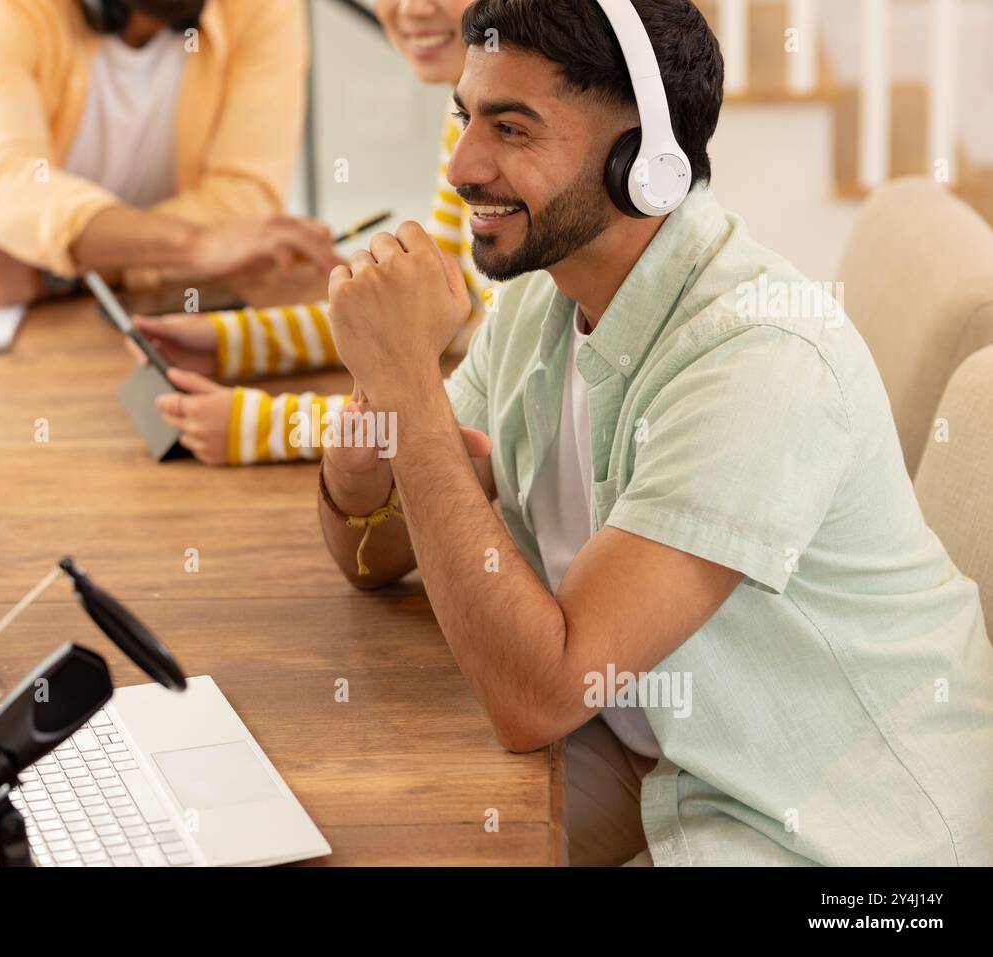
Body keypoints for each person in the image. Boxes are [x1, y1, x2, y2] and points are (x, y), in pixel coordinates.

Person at [316, 0, 993, 866]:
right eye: (464, 117)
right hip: (664, 748)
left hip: (843, 829)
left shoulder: (756, 357)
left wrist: (410, 384)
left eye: (512, 129)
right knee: (377, 830)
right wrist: (371, 424)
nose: (462, 167)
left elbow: (539, 695)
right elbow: (372, 557)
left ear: (646, 161)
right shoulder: (538, 296)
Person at [132, 0, 495, 465]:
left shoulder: (528, 147)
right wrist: (236, 342)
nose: (413, 8)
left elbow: (492, 412)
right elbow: (445, 307)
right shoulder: (460, 111)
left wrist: (264, 425)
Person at [0, 0, 337, 307]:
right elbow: (7, 186)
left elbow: (245, 200)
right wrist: (196, 246)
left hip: (178, 308)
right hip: (7, 311)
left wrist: (49, 275)